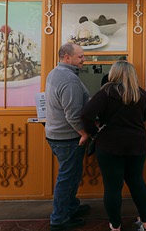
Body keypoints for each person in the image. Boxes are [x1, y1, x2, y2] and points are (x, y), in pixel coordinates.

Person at [81, 61, 146, 231]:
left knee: (113, 187)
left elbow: (86, 114)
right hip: (137, 144)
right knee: (137, 182)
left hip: (110, 146)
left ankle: (115, 225)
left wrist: (93, 131)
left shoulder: (105, 92)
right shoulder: (141, 93)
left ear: (114, 74)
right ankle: (145, 222)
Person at [45, 43, 91, 230]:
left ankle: (70, 207)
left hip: (57, 134)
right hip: (67, 137)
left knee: (71, 176)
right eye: (80, 56)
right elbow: (72, 114)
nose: (84, 59)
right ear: (67, 58)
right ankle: (60, 219)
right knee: (67, 178)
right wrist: (84, 133)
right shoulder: (69, 80)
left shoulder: (55, 72)